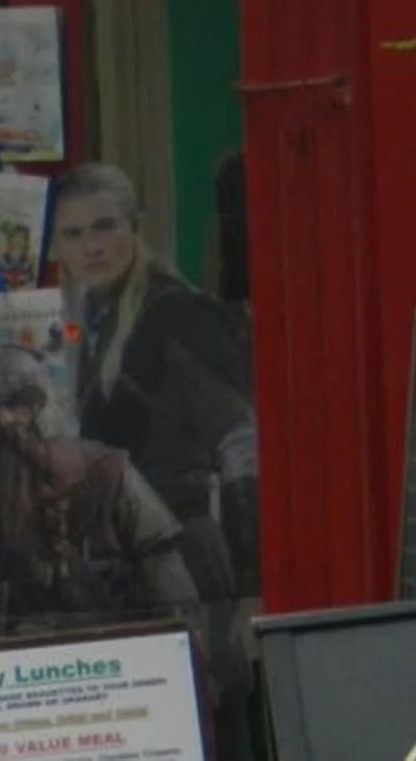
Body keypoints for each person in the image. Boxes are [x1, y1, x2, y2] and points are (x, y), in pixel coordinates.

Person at [0, 345, 200, 647]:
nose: (4, 419)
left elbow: (179, 612)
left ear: (43, 408)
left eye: (17, 403)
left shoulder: (112, 478)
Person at [52, 162, 259, 595]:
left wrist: (252, 575)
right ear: (58, 246)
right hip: (119, 554)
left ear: (135, 226)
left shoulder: (180, 314)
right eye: (73, 234)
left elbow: (240, 440)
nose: (91, 246)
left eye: (104, 227)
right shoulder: (84, 320)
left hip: (184, 550)